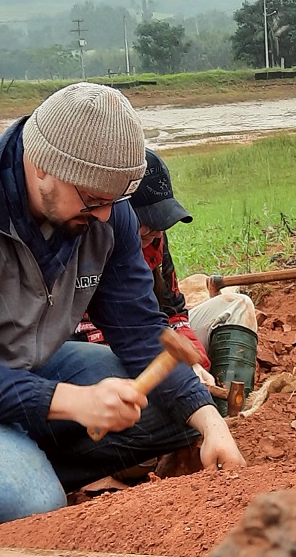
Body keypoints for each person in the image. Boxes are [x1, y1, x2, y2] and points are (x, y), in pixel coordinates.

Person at [0, 82, 245, 529]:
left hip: (20, 363)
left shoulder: (105, 211)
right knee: (30, 505)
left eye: (115, 202)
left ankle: (5, 455)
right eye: (94, 200)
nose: (106, 217)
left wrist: (210, 423)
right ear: (42, 167)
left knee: (179, 414)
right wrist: (72, 401)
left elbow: (136, 327)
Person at [73, 149, 259, 410]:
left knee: (237, 306)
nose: (156, 232)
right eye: (146, 224)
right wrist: (173, 367)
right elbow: (100, 334)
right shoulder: (87, 243)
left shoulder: (155, 241)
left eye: (161, 223)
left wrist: (194, 363)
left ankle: (229, 413)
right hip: (114, 353)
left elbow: (173, 313)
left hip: (154, 339)